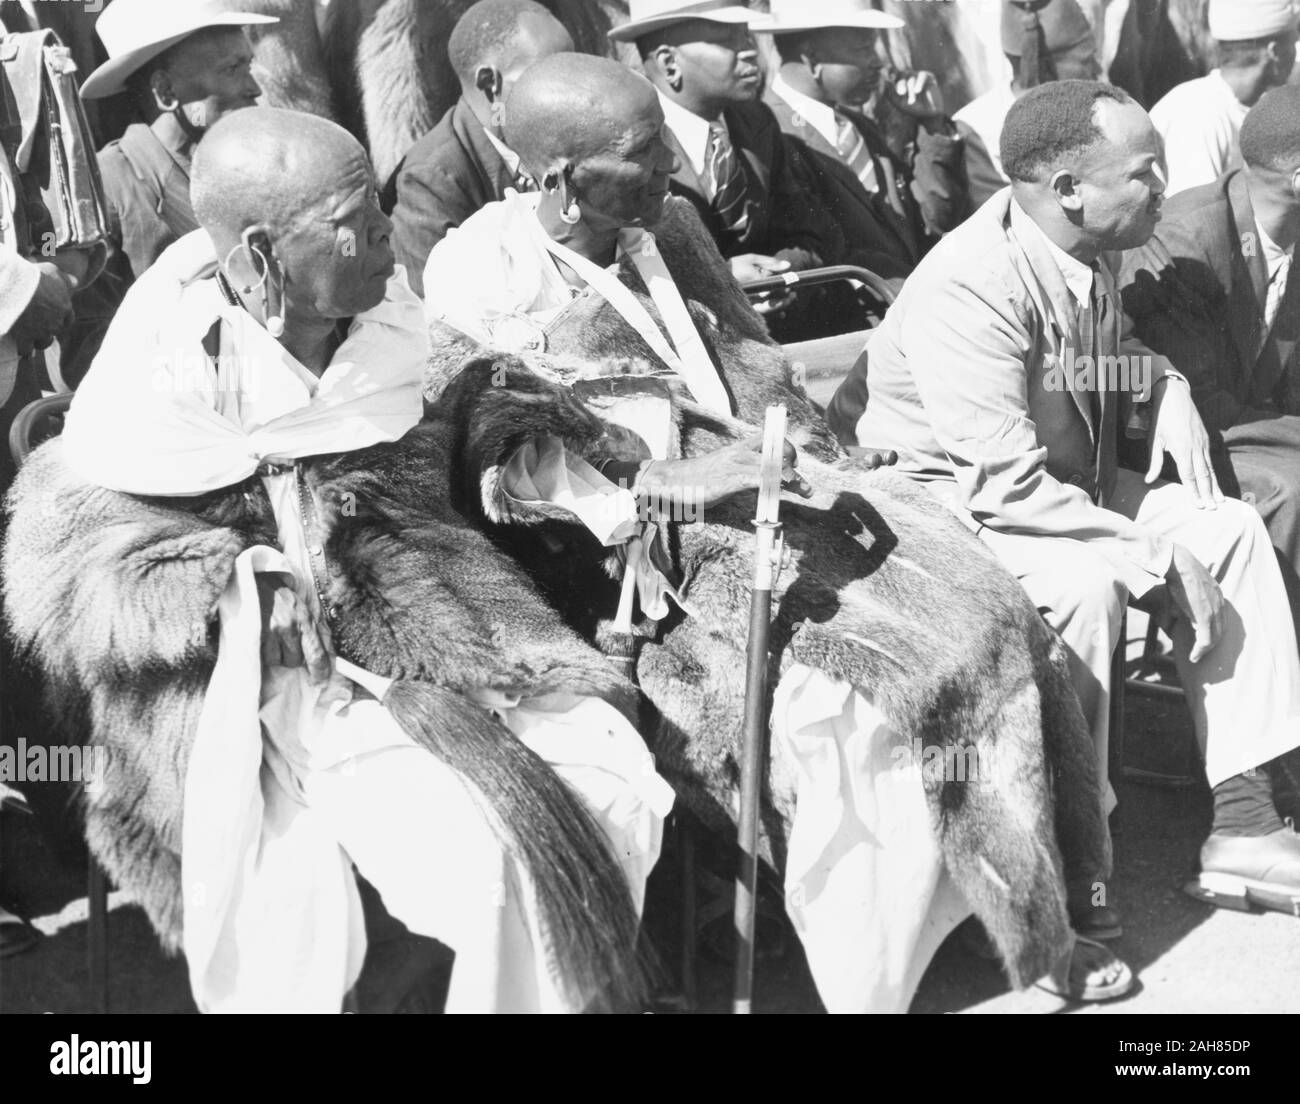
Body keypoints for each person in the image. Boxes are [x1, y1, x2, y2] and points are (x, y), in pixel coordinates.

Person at [423, 52, 1131, 1011]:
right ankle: (874, 972)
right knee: (849, 704)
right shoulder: (481, 270)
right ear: (558, 178)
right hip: (637, 568)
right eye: (642, 151)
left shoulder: (666, 223)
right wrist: (676, 483)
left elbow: (754, 366)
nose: (672, 161)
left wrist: (798, 452)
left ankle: (1017, 910)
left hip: (776, 500)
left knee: (988, 612)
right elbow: (512, 477)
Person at [3, 107, 673, 1013]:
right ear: (261, 255)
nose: (388, 241)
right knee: (481, 855)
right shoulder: (161, 375)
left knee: (611, 779)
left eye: (380, 209)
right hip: (248, 693)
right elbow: (77, 571)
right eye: (353, 223)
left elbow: (455, 411)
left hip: (439, 634)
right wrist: (235, 588)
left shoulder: (391, 324)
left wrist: (529, 455)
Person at [834, 79, 1300, 916]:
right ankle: (1055, 866)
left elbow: (1075, 367)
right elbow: (1000, 482)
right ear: (1069, 191)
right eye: (1145, 170)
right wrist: (1153, 556)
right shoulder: (969, 286)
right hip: (946, 507)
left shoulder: (1093, 242)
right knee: (1086, 589)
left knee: (1226, 527)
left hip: (1057, 482)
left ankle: (1246, 824)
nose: (1165, 185)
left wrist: (1163, 385)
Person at [1121, 83, 1300, 648]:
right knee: (1291, 491)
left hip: (1245, 424)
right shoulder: (1187, 240)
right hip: (1168, 440)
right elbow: (1202, 402)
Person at [61, 0, 274, 386]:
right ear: (164, 91)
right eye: (231, 69)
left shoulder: (255, 169)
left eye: (249, 66)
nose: (254, 88)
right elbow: (87, 357)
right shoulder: (108, 187)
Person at [612, 0, 841, 292]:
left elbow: (805, 231)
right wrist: (724, 278)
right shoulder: (627, 143)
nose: (750, 50)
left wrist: (776, 274)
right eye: (726, 41)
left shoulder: (756, 121)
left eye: (746, 36)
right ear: (669, 64)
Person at [760, 0, 970, 286]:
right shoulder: (771, 135)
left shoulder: (857, 127)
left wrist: (932, 125)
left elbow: (934, 220)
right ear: (811, 56)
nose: (878, 62)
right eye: (864, 49)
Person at [386, 0, 573, 297]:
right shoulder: (429, 181)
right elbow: (436, 318)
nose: (572, 93)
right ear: (490, 83)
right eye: (550, 77)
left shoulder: (561, 140)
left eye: (573, 73)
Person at [954, 0, 1102, 208]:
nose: (1096, 67)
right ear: (1044, 68)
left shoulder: (1099, 105)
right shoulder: (977, 129)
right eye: (1086, 59)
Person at [1148, 0, 1298, 197]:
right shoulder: (1198, 111)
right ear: (1274, 52)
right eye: (1293, 41)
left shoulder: (1253, 107)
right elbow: (1196, 214)